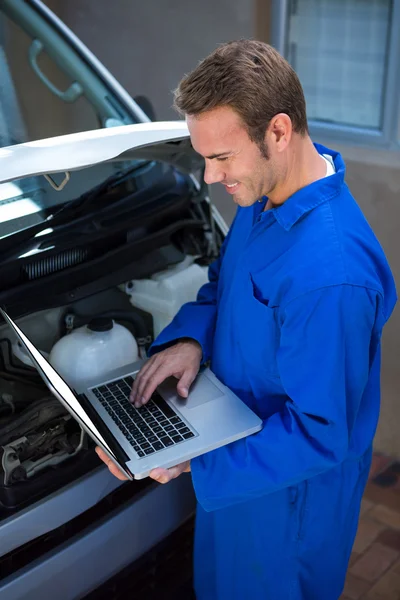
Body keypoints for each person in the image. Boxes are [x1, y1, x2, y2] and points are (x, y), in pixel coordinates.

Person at [96, 40, 397, 599]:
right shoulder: (265, 193)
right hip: (237, 464)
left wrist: (190, 464)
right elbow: (224, 286)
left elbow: (319, 433)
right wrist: (190, 338)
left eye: (222, 158)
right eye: (204, 157)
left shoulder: (331, 277)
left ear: (278, 132)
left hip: (287, 503)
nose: (211, 178)